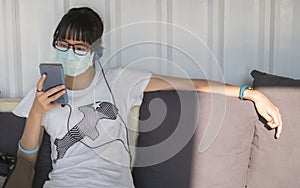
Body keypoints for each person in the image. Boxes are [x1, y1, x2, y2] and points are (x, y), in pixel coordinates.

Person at [12, 7, 282, 188]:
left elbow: (188, 84)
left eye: (79, 47)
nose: (69, 53)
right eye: (63, 44)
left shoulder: (120, 81)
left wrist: (248, 93)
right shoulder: (42, 92)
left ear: (96, 52)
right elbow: (26, 160)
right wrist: (37, 111)